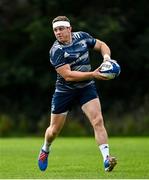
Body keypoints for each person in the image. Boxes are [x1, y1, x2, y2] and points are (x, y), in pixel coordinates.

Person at [38, 16, 117, 172]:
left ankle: (106, 159)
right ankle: (45, 149)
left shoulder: (82, 37)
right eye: (55, 30)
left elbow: (101, 45)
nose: (58, 33)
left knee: (98, 120)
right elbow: (68, 75)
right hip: (64, 91)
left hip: (86, 87)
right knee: (54, 130)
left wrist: (107, 59)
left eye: (61, 29)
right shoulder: (56, 50)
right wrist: (93, 74)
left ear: (69, 28)